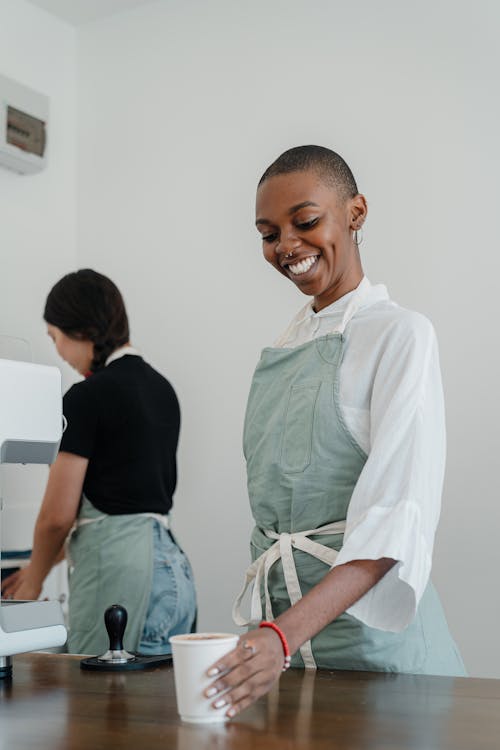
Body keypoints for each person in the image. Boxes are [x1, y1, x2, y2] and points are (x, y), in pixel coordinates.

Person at [203, 145, 466, 719]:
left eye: (306, 221)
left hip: (375, 649)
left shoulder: (401, 336)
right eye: (268, 233)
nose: (286, 247)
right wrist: (273, 637)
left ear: (356, 212)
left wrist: (280, 635)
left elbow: (396, 520)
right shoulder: (281, 349)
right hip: (294, 648)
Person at [2, 269, 197, 655]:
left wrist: (33, 580)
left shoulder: (86, 397)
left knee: (98, 705)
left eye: (54, 337)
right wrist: (41, 563)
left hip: (121, 576)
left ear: (79, 329)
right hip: (172, 572)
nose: (58, 351)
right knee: (154, 711)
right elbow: (116, 504)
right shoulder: (161, 389)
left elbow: (59, 515)